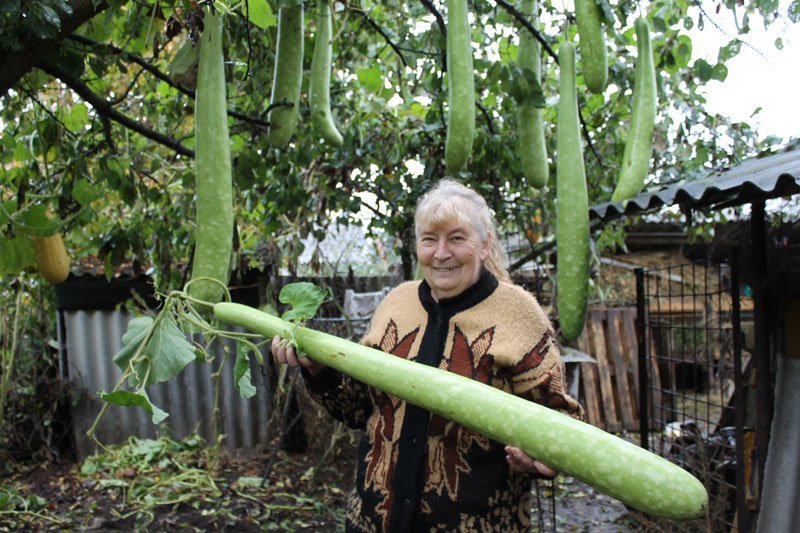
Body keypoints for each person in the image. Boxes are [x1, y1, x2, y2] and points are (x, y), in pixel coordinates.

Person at [272, 179, 583, 532]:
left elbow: (561, 417)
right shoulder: (395, 303)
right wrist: (317, 369)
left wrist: (543, 458)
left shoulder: (518, 313)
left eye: (457, 238)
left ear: (484, 244)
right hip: (372, 522)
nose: (441, 253)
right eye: (429, 239)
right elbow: (359, 408)